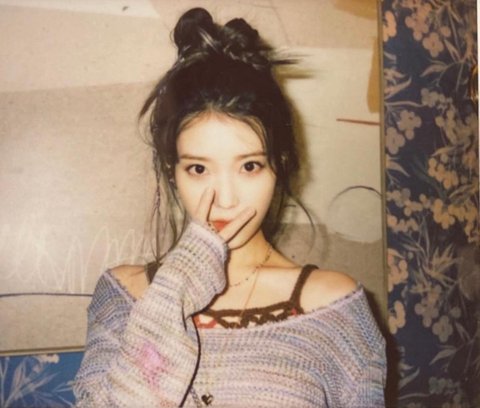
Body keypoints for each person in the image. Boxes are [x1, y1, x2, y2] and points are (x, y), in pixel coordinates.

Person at [73, 7, 386, 407]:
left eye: (249, 166)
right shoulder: (123, 296)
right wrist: (181, 279)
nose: (225, 199)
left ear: (280, 166)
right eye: (199, 168)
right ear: (172, 172)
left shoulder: (334, 307)